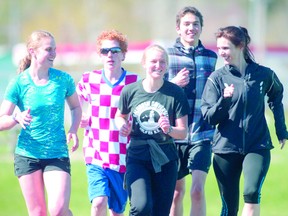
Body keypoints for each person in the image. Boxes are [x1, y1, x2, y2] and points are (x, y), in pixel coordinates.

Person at [201, 26, 288, 216]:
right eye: (219, 48)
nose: (221, 53)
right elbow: (209, 117)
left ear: (240, 46)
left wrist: (281, 130)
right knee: (229, 207)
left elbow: (276, 96)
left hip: (257, 145)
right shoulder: (216, 79)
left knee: (251, 192)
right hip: (225, 148)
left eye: (226, 48)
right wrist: (224, 100)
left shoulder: (264, 75)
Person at [0, 30, 82, 216]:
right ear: (33, 51)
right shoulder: (19, 83)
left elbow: (76, 108)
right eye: (48, 49)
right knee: (37, 213)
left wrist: (73, 129)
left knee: (59, 210)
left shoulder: (63, 79)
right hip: (27, 155)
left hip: (56, 153)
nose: (54, 53)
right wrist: (15, 118)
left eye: (55, 49)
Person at [115, 44, 190, 216]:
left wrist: (169, 128)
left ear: (167, 65)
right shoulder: (131, 90)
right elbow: (120, 116)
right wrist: (123, 126)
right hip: (137, 156)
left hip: (165, 158)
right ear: (144, 63)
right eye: (153, 61)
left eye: (162, 62)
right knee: (140, 207)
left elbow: (183, 132)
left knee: (160, 211)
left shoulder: (175, 93)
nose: (158, 65)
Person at [76, 29, 139, 216]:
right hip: (95, 154)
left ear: (124, 54)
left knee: (116, 210)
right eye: (105, 51)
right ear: (100, 55)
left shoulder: (134, 82)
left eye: (115, 51)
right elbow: (75, 102)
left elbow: (144, 111)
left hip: (123, 156)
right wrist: (81, 116)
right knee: (98, 202)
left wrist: (132, 126)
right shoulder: (89, 79)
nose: (110, 55)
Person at [164, 6, 217, 216]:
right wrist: (174, 83)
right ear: (178, 28)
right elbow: (154, 90)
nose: (191, 28)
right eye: (186, 24)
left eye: (195, 24)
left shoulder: (211, 57)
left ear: (201, 28)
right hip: (174, 134)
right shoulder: (167, 55)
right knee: (176, 192)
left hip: (202, 133)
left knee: (197, 190)